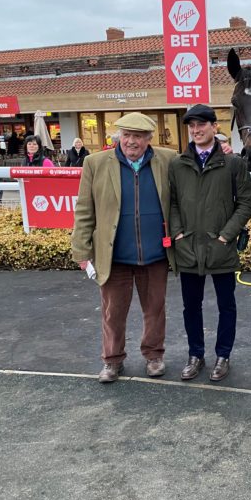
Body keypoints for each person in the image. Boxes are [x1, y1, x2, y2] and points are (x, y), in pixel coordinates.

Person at [71, 112, 177, 383]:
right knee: (113, 313)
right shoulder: (95, 163)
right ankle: (112, 360)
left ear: (149, 139)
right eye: (127, 135)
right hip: (114, 256)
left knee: (155, 310)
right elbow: (84, 210)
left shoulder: (168, 159)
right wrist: (82, 251)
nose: (131, 141)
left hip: (155, 254)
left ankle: (154, 355)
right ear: (118, 137)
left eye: (138, 136)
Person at [168, 104, 251, 382]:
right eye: (192, 126)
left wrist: (226, 235)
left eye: (201, 125)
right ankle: (195, 355)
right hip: (188, 247)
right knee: (190, 306)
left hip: (221, 248)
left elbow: (246, 203)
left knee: (226, 305)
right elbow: (172, 202)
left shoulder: (233, 163)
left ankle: (223, 355)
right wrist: (178, 233)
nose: (196, 130)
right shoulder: (177, 164)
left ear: (214, 127)